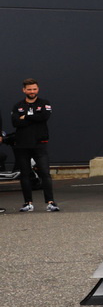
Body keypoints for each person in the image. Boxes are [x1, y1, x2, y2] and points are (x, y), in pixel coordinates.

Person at [11, 78, 57, 212]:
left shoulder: (44, 103)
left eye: (34, 89)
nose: (32, 91)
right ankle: (28, 203)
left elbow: (44, 117)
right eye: (29, 89)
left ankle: (51, 202)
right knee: (25, 174)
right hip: (22, 145)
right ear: (24, 90)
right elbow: (15, 123)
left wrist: (25, 117)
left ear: (38, 89)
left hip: (39, 144)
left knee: (45, 173)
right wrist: (34, 118)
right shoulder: (17, 105)